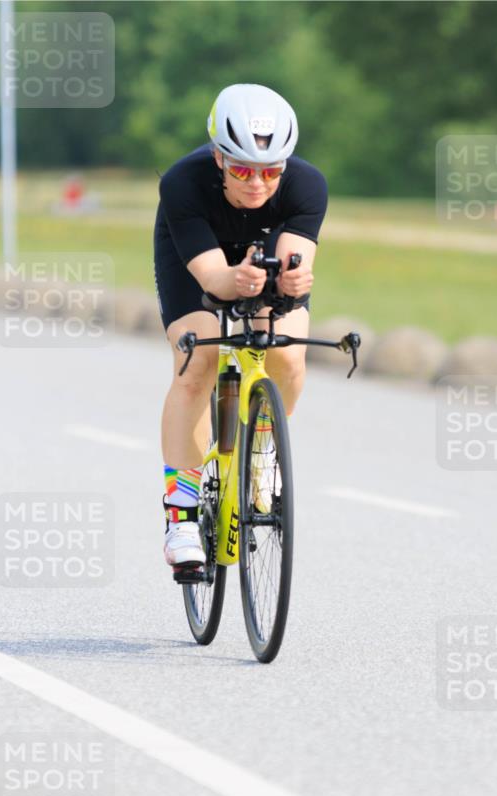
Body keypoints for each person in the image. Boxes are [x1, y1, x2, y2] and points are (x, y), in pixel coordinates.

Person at [154, 83, 328, 576]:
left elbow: (295, 263)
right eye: (242, 170)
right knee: (198, 362)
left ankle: (263, 452)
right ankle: (182, 516)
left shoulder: (307, 185)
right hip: (197, 256)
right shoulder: (183, 183)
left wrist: (291, 282)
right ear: (218, 158)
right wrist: (236, 280)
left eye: (270, 171)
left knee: (287, 353)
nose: (257, 183)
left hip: (263, 253)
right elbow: (214, 280)